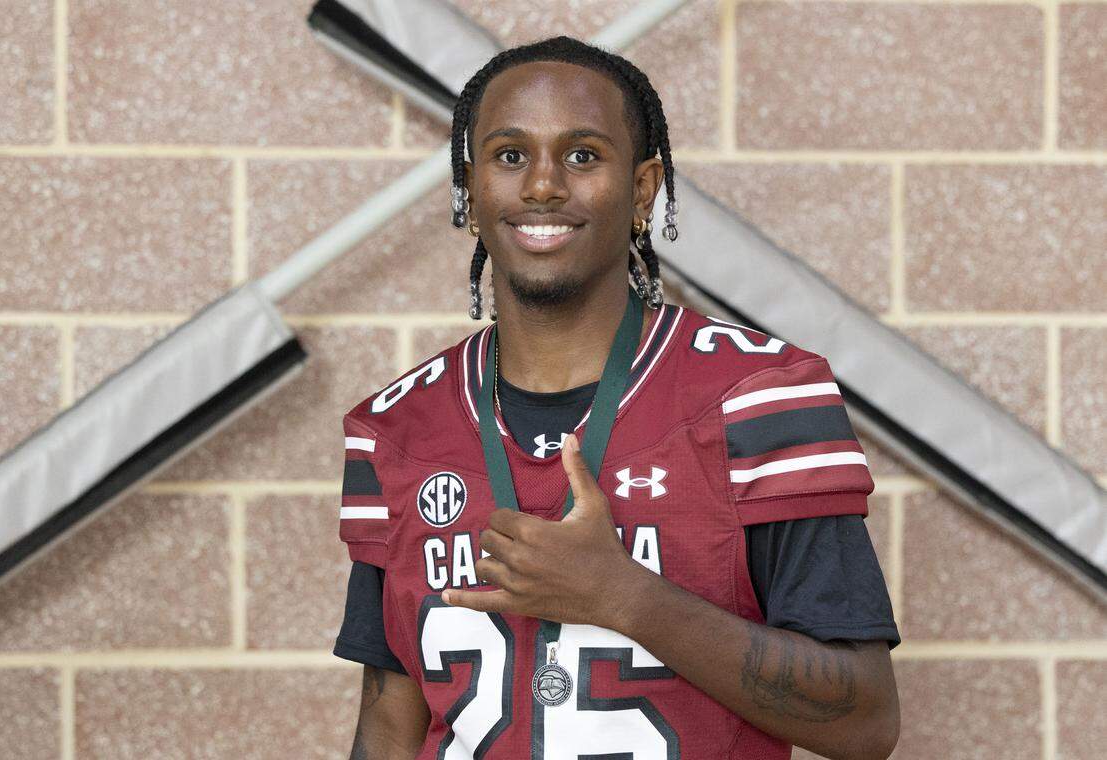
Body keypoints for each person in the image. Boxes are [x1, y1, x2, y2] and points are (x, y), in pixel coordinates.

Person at [332, 35, 900, 759]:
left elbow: (865, 722)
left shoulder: (759, 396)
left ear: (641, 188)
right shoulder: (395, 428)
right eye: (510, 155)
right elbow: (388, 724)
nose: (542, 186)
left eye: (582, 155)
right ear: (470, 188)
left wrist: (623, 596)